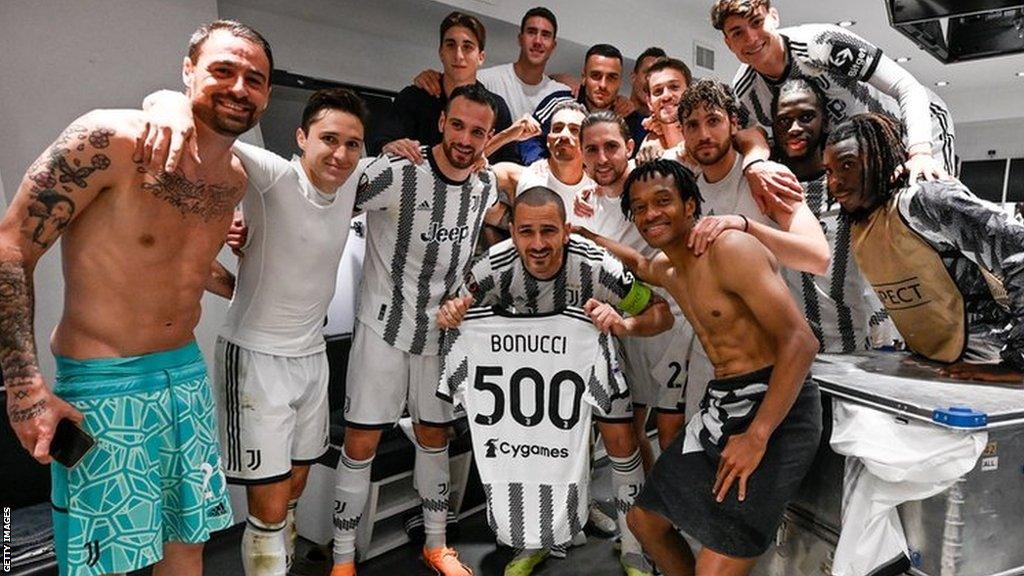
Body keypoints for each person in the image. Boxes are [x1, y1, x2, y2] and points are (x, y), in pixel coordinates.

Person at [0, 20, 272, 576]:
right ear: (188, 71)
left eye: (256, 79)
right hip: (105, 385)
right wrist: (24, 387)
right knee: (104, 561)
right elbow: (11, 250)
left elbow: (180, 265)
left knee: (187, 542)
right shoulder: (112, 140)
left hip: (186, 377)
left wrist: (245, 286)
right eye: (223, 69)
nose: (240, 87)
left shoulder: (234, 178)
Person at [140, 86, 371, 575]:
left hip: (312, 358)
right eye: (329, 139)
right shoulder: (274, 174)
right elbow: (196, 125)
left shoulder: (352, 182)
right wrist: (166, 105)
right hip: (256, 359)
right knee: (266, 511)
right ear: (302, 137)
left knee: (292, 493)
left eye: (353, 144)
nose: (341, 153)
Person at [438, 186, 672, 576]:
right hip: (529, 390)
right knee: (531, 454)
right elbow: (457, 313)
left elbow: (660, 313)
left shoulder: (597, 265)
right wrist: (450, 314)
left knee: (621, 442)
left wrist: (625, 324)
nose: (539, 243)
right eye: (527, 232)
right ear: (512, 232)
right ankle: (537, 541)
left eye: (549, 231)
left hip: (593, 367)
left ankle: (633, 548)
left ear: (565, 230)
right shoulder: (492, 268)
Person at [618, 160, 822, 576]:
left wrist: (757, 436)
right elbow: (639, 267)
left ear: (690, 204)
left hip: (778, 412)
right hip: (722, 407)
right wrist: (580, 234)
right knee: (645, 521)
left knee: (714, 568)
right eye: (639, 208)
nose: (651, 214)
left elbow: (802, 342)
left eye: (662, 201)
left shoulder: (729, 249)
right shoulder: (672, 268)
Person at [331, 83, 503, 576]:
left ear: (488, 136)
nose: (466, 139)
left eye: (478, 132)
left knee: (435, 436)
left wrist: (469, 296)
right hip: (382, 328)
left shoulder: (485, 186)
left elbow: (478, 248)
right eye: (458, 125)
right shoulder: (398, 171)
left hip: (438, 333)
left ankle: (436, 544)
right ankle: (343, 559)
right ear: (442, 121)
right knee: (361, 442)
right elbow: (329, 197)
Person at [824, 113, 1024, 382]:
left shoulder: (922, 200)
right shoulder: (863, 222)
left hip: (985, 363)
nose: (834, 182)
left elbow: (1019, 247)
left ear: (878, 159)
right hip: (935, 367)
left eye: (847, 165)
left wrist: (1016, 363)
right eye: (829, 171)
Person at [712, 0, 956, 180]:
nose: (751, 38)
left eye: (757, 22)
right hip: (861, 155)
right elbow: (747, 137)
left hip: (914, 126)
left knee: (930, 198)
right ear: (728, 42)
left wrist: (920, 151)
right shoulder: (745, 92)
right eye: (737, 32)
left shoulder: (824, 44)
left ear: (773, 16)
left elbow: (907, 86)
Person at [572, 111, 693, 465]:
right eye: (591, 150)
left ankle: (679, 517)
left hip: (677, 325)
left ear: (629, 146)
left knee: (674, 433)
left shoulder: (658, 180)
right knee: (628, 433)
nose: (602, 158)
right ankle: (651, 516)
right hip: (624, 330)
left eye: (611, 146)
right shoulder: (586, 204)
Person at [770, 78, 891, 352]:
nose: (795, 128)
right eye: (784, 121)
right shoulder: (766, 188)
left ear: (824, 121)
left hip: (852, 353)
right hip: (788, 354)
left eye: (806, 117)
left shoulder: (852, 189)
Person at [372, 11, 521, 165]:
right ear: (441, 52)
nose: (458, 55)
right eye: (451, 45)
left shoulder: (496, 108)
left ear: (481, 57)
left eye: (467, 47)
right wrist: (388, 147)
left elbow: (509, 164)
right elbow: (380, 142)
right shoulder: (413, 98)